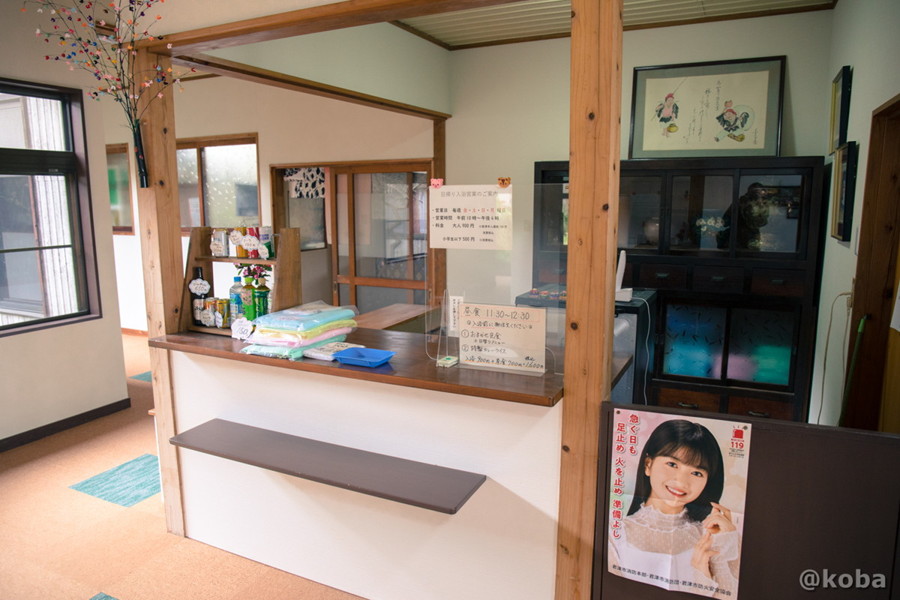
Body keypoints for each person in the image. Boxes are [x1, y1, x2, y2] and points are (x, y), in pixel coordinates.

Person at [609, 419, 740, 599]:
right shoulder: (615, 532)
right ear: (648, 464)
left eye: (696, 473)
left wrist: (708, 569)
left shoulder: (714, 535)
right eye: (672, 464)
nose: (681, 481)